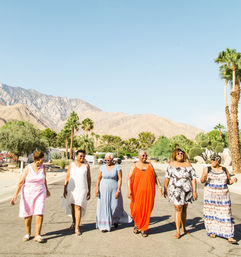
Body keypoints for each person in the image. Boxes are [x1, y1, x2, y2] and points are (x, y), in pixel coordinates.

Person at [10, 150, 50, 242]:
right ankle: (28, 233)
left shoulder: (43, 168)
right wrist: (15, 195)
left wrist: (47, 190)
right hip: (28, 193)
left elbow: (45, 180)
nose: (43, 162)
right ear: (36, 160)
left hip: (40, 192)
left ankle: (37, 235)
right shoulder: (28, 168)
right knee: (28, 214)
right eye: (41, 160)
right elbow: (21, 182)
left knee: (39, 212)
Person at [200, 154, 237, 244]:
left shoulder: (224, 169)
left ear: (218, 160)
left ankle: (230, 235)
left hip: (223, 196)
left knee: (226, 214)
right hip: (210, 196)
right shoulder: (207, 169)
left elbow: (228, 181)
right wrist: (204, 177)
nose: (212, 161)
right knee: (211, 213)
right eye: (211, 160)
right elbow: (202, 180)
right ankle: (212, 231)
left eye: (214, 160)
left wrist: (234, 180)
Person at [128, 150, 163, 237]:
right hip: (137, 192)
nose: (145, 157)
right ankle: (137, 224)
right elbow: (129, 179)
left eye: (146, 155)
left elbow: (155, 176)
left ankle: (144, 228)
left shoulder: (150, 165)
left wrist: (160, 186)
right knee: (136, 210)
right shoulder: (134, 166)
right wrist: (129, 191)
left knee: (147, 210)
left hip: (149, 192)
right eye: (143, 155)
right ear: (139, 156)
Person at [164, 148, 197, 239]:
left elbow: (193, 178)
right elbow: (167, 177)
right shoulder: (171, 164)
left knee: (184, 209)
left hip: (186, 190)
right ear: (174, 155)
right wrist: (165, 188)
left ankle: (184, 227)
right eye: (178, 153)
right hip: (175, 190)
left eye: (182, 153)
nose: (180, 154)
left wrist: (194, 191)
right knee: (178, 208)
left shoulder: (188, 164)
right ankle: (178, 231)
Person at [96, 153, 131, 232]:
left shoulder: (117, 167)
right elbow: (98, 178)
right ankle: (104, 225)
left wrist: (118, 189)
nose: (107, 161)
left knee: (115, 205)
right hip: (103, 189)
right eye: (105, 160)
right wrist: (97, 188)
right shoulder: (102, 167)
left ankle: (115, 219)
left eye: (108, 160)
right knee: (104, 206)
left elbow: (120, 179)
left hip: (114, 189)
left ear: (112, 159)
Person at [63, 149, 91, 236]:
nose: (82, 157)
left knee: (78, 206)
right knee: (72, 206)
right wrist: (65, 188)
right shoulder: (71, 165)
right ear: (77, 156)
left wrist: (89, 190)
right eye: (81, 156)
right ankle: (74, 222)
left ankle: (77, 228)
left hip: (82, 189)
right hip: (72, 188)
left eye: (83, 156)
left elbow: (88, 178)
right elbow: (67, 177)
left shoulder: (86, 165)